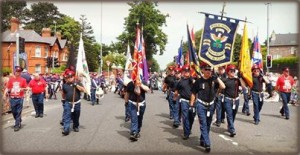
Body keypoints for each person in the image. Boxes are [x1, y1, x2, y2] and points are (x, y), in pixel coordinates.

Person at [190, 62, 225, 152]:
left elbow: (223, 86)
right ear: (202, 70)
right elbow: (193, 93)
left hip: (211, 105)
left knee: (208, 124)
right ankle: (207, 143)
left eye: (210, 69)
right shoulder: (198, 81)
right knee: (203, 124)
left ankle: (203, 139)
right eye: (206, 69)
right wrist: (191, 104)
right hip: (201, 104)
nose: (208, 71)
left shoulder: (213, 80)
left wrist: (217, 77)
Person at [222, 64, 246, 137]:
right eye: (231, 71)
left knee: (233, 115)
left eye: (234, 71)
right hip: (227, 100)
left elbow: (244, 86)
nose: (233, 72)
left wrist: (240, 78)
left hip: (236, 100)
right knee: (229, 115)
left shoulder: (237, 80)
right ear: (228, 72)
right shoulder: (225, 80)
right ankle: (232, 130)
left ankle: (230, 125)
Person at [3, 66, 28, 131]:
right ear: (15, 72)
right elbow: (7, 88)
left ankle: (17, 125)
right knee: (14, 111)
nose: (18, 73)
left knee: (18, 111)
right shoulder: (11, 80)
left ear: (20, 73)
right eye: (17, 72)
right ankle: (18, 119)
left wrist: (22, 89)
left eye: (19, 72)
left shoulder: (23, 80)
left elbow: (26, 88)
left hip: (20, 98)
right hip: (12, 98)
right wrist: (4, 94)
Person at [61, 70, 86, 136]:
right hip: (68, 103)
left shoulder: (78, 83)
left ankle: (76, 126)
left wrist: (76, 86)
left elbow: (83, 90)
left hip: (76, 103)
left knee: (76, 115)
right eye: (68, 77)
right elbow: (63, 93)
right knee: (67, 116)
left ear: (73, 77)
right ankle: (66, 129)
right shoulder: (65, 85)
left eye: (71, 77)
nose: (69, 78)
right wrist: (63, 99)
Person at [174, 64, 195, 139]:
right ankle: (186, 132)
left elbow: (196, 84)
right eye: (185, 71)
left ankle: (188, 128)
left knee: (191, 117)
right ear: (182, 72)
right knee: (185, 117)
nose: (186, 72)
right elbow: (176, 91)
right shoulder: (180, 81)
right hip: (184, 101)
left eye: (188, 71)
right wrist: (175, 98)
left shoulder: (192, 80)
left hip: (193, 101)